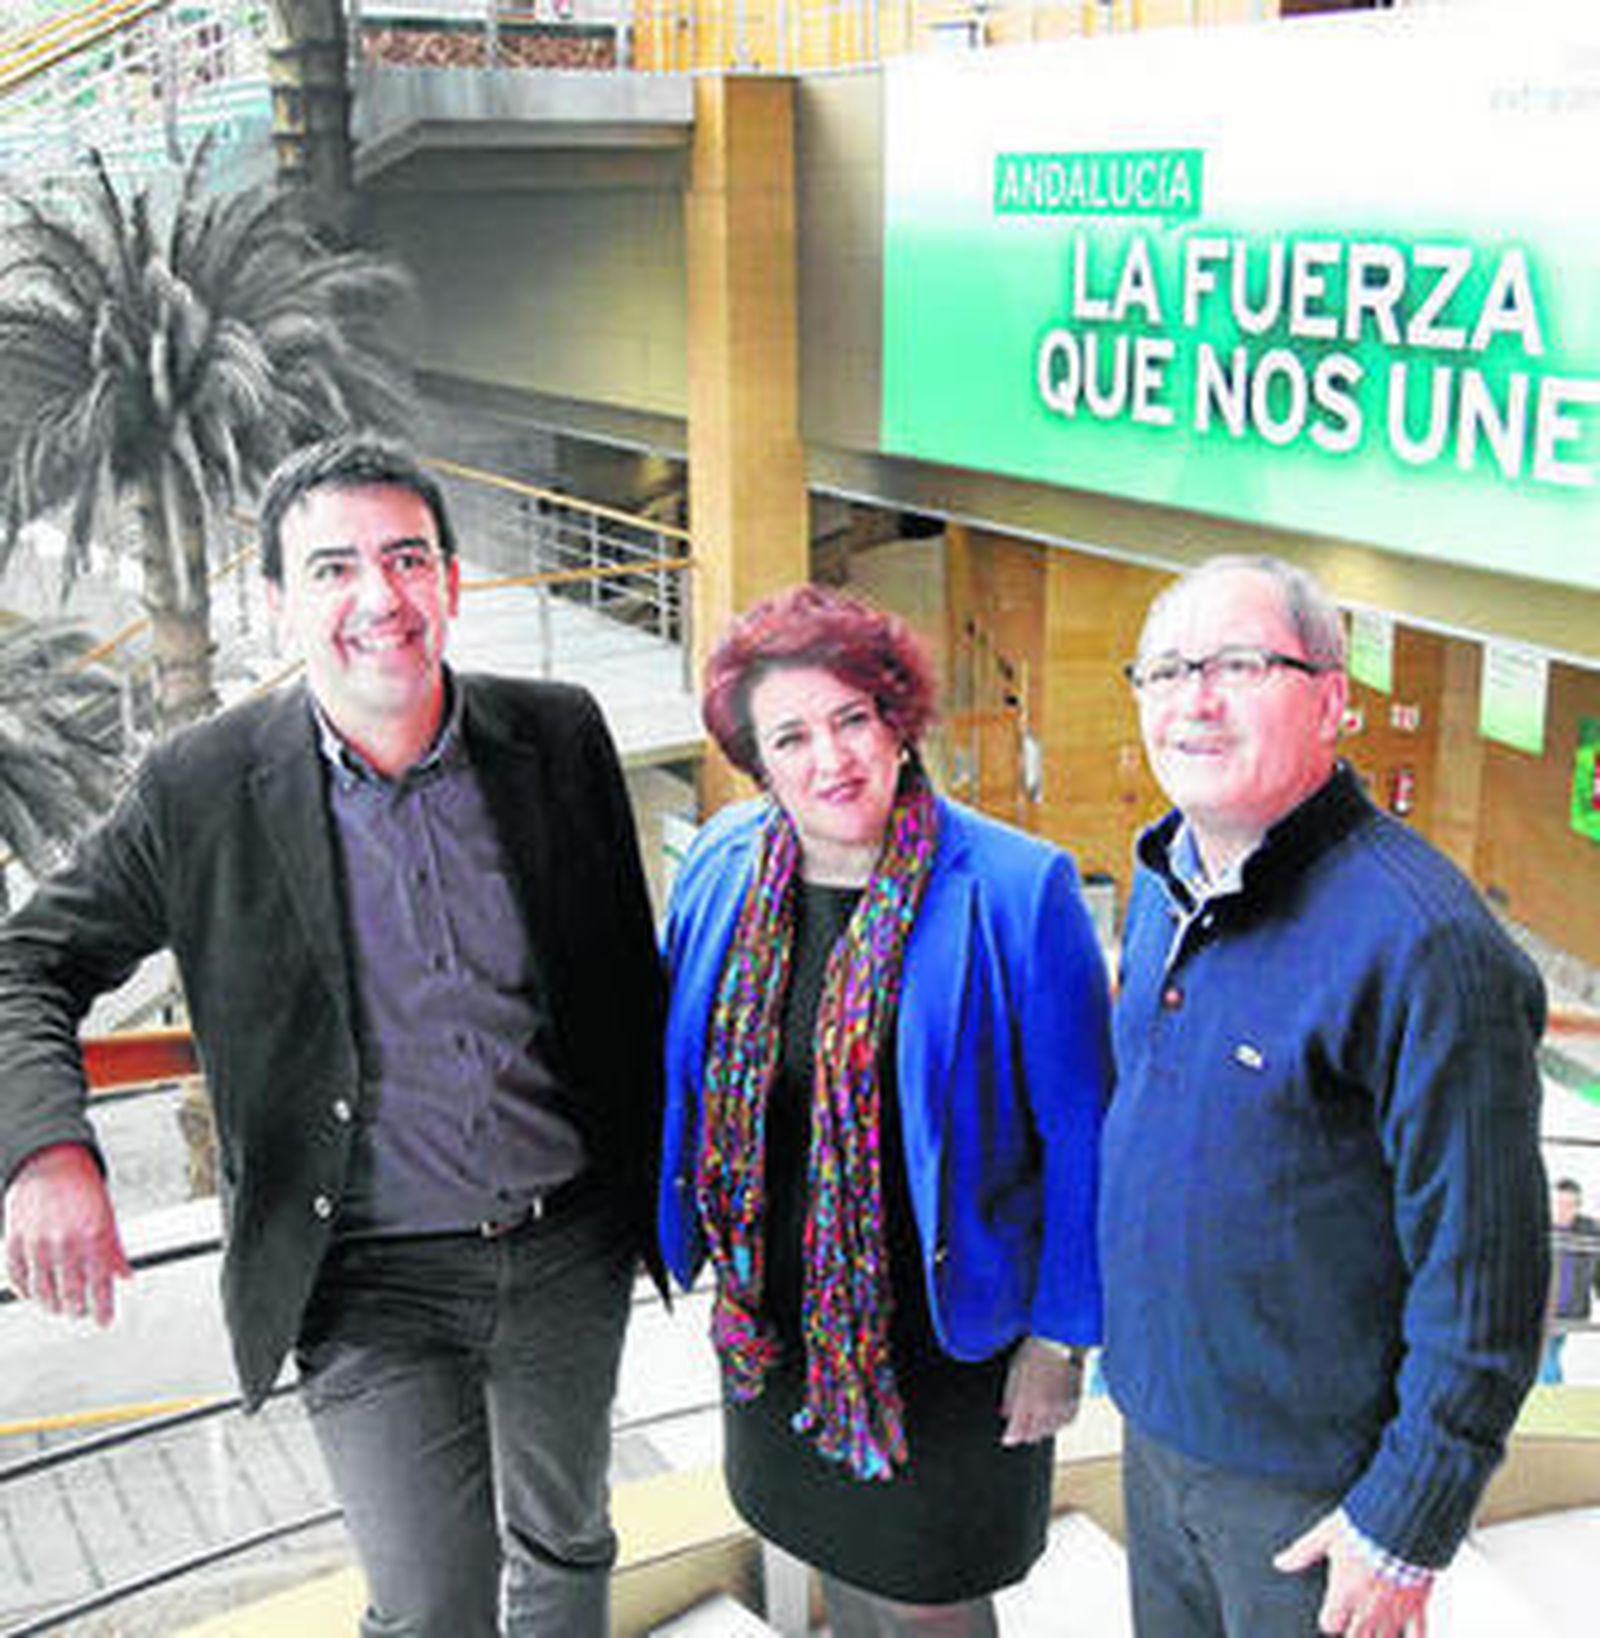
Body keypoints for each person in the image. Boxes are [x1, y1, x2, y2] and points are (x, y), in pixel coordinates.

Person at [0, 436, 665, 1638]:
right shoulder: (199, 788)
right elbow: (28, 961)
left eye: (407, 558)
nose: (379, 598)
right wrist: (48, 1152)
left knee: (568, 1544)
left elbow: (628, 983)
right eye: (333, 567)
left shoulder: (558, 737)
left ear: (451, 583)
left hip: (566, 1246)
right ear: (277, 603)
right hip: (365, 1279)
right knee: (429, 1606)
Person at [1100, 554, 1549, 1638]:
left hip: (1316, 1496)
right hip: (1160, 1445)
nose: (1193, 699)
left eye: (1239, 664)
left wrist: (1405, 1518)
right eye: (1164, 670)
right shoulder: (1165, 886)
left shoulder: (1425, 944)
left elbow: (1484, 1274)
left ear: (1332, 701)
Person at [658, 584, 1110, 1637]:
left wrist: (1060, 1339)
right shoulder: (725, 861)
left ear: (896, 719)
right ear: (756, 760)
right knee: (831, 1563)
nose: (832, 758)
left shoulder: (1014, 886)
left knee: (929, 1603)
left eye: (852, 717)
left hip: (946, 1347)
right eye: (792, 736)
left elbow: (1083, 1131)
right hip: (777, 1335)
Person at [1541, 1178, 1600, 1384]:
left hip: (1568, 1312)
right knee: (1546, 1357)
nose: (1564, 1211)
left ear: (1578, 1207)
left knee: (1548, 1356)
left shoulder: (1590, 1231)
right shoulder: (1536, 1224)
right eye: (1559, 1204)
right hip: (1537, 1311)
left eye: (1570, 1205)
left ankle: (1549, 1398)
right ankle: (1551, 1397)